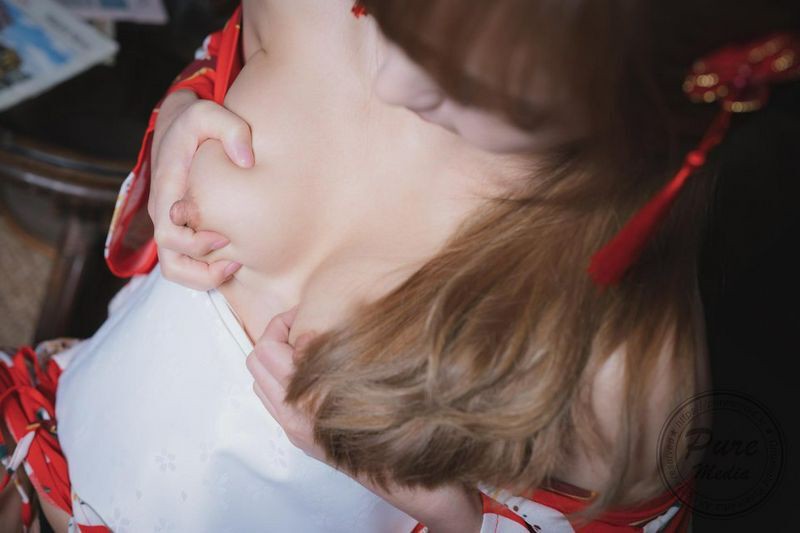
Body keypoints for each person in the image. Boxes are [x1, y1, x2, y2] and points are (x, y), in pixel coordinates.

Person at [2, 1, 798, 532]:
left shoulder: (624, 363)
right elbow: (232, 49)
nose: (393, 78)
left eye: (469, 86)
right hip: (48, 428)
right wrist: (185, 110)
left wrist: (447, 509)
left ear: (630, 109)